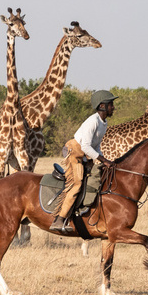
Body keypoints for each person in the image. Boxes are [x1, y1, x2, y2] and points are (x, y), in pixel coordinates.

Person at [51, 89, 118, 234]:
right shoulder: (93, 121)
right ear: (102, 106)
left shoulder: (103, 123)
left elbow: (96, 146)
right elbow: (85, 146)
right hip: (74, 151)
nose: (113, 107)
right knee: (77, 184)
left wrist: (105, 161)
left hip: (84, 154)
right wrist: (103, 159)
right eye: (111, 104)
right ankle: (59, 219)